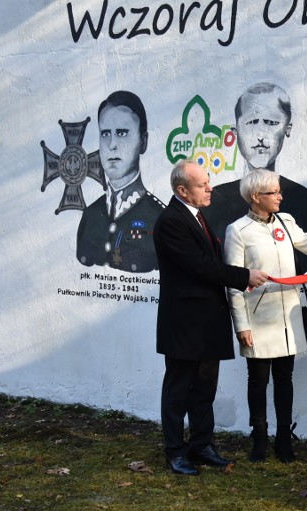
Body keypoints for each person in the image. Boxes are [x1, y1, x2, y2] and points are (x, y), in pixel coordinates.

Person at [223, 168, 307, 462]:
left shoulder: (286, 222)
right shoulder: (238, 231)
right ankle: (259, 436)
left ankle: (284, 438)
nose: (280, 197)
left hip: (287, 318)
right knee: (258, 381)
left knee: (285, 379)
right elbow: (233, 283)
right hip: (257, 321)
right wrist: (241, 326)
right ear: (255, 197)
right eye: (274, 192)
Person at [153, 160, 266, 476]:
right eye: (203, 184)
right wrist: (244, 276)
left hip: (205, 324)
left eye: (208, 182)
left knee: (204, 390)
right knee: (178, 392)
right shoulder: (171, 222)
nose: (210, 187)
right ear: (182, 190)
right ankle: (175, 452)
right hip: (185, 324)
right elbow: (200, 266)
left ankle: (201, 446)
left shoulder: (196, 216)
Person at [205, 82, 307, 285]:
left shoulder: (303, 201)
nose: (260, 136)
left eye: (270, 123)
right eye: (251, 122)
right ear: (236, 131)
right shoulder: (215, 201)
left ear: (287, 129)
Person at [77, 91, 164, 272]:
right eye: (105, 134)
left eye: (122, 133)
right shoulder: (90, 215)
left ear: (143, 142)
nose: (112, 145)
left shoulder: (159, 219)